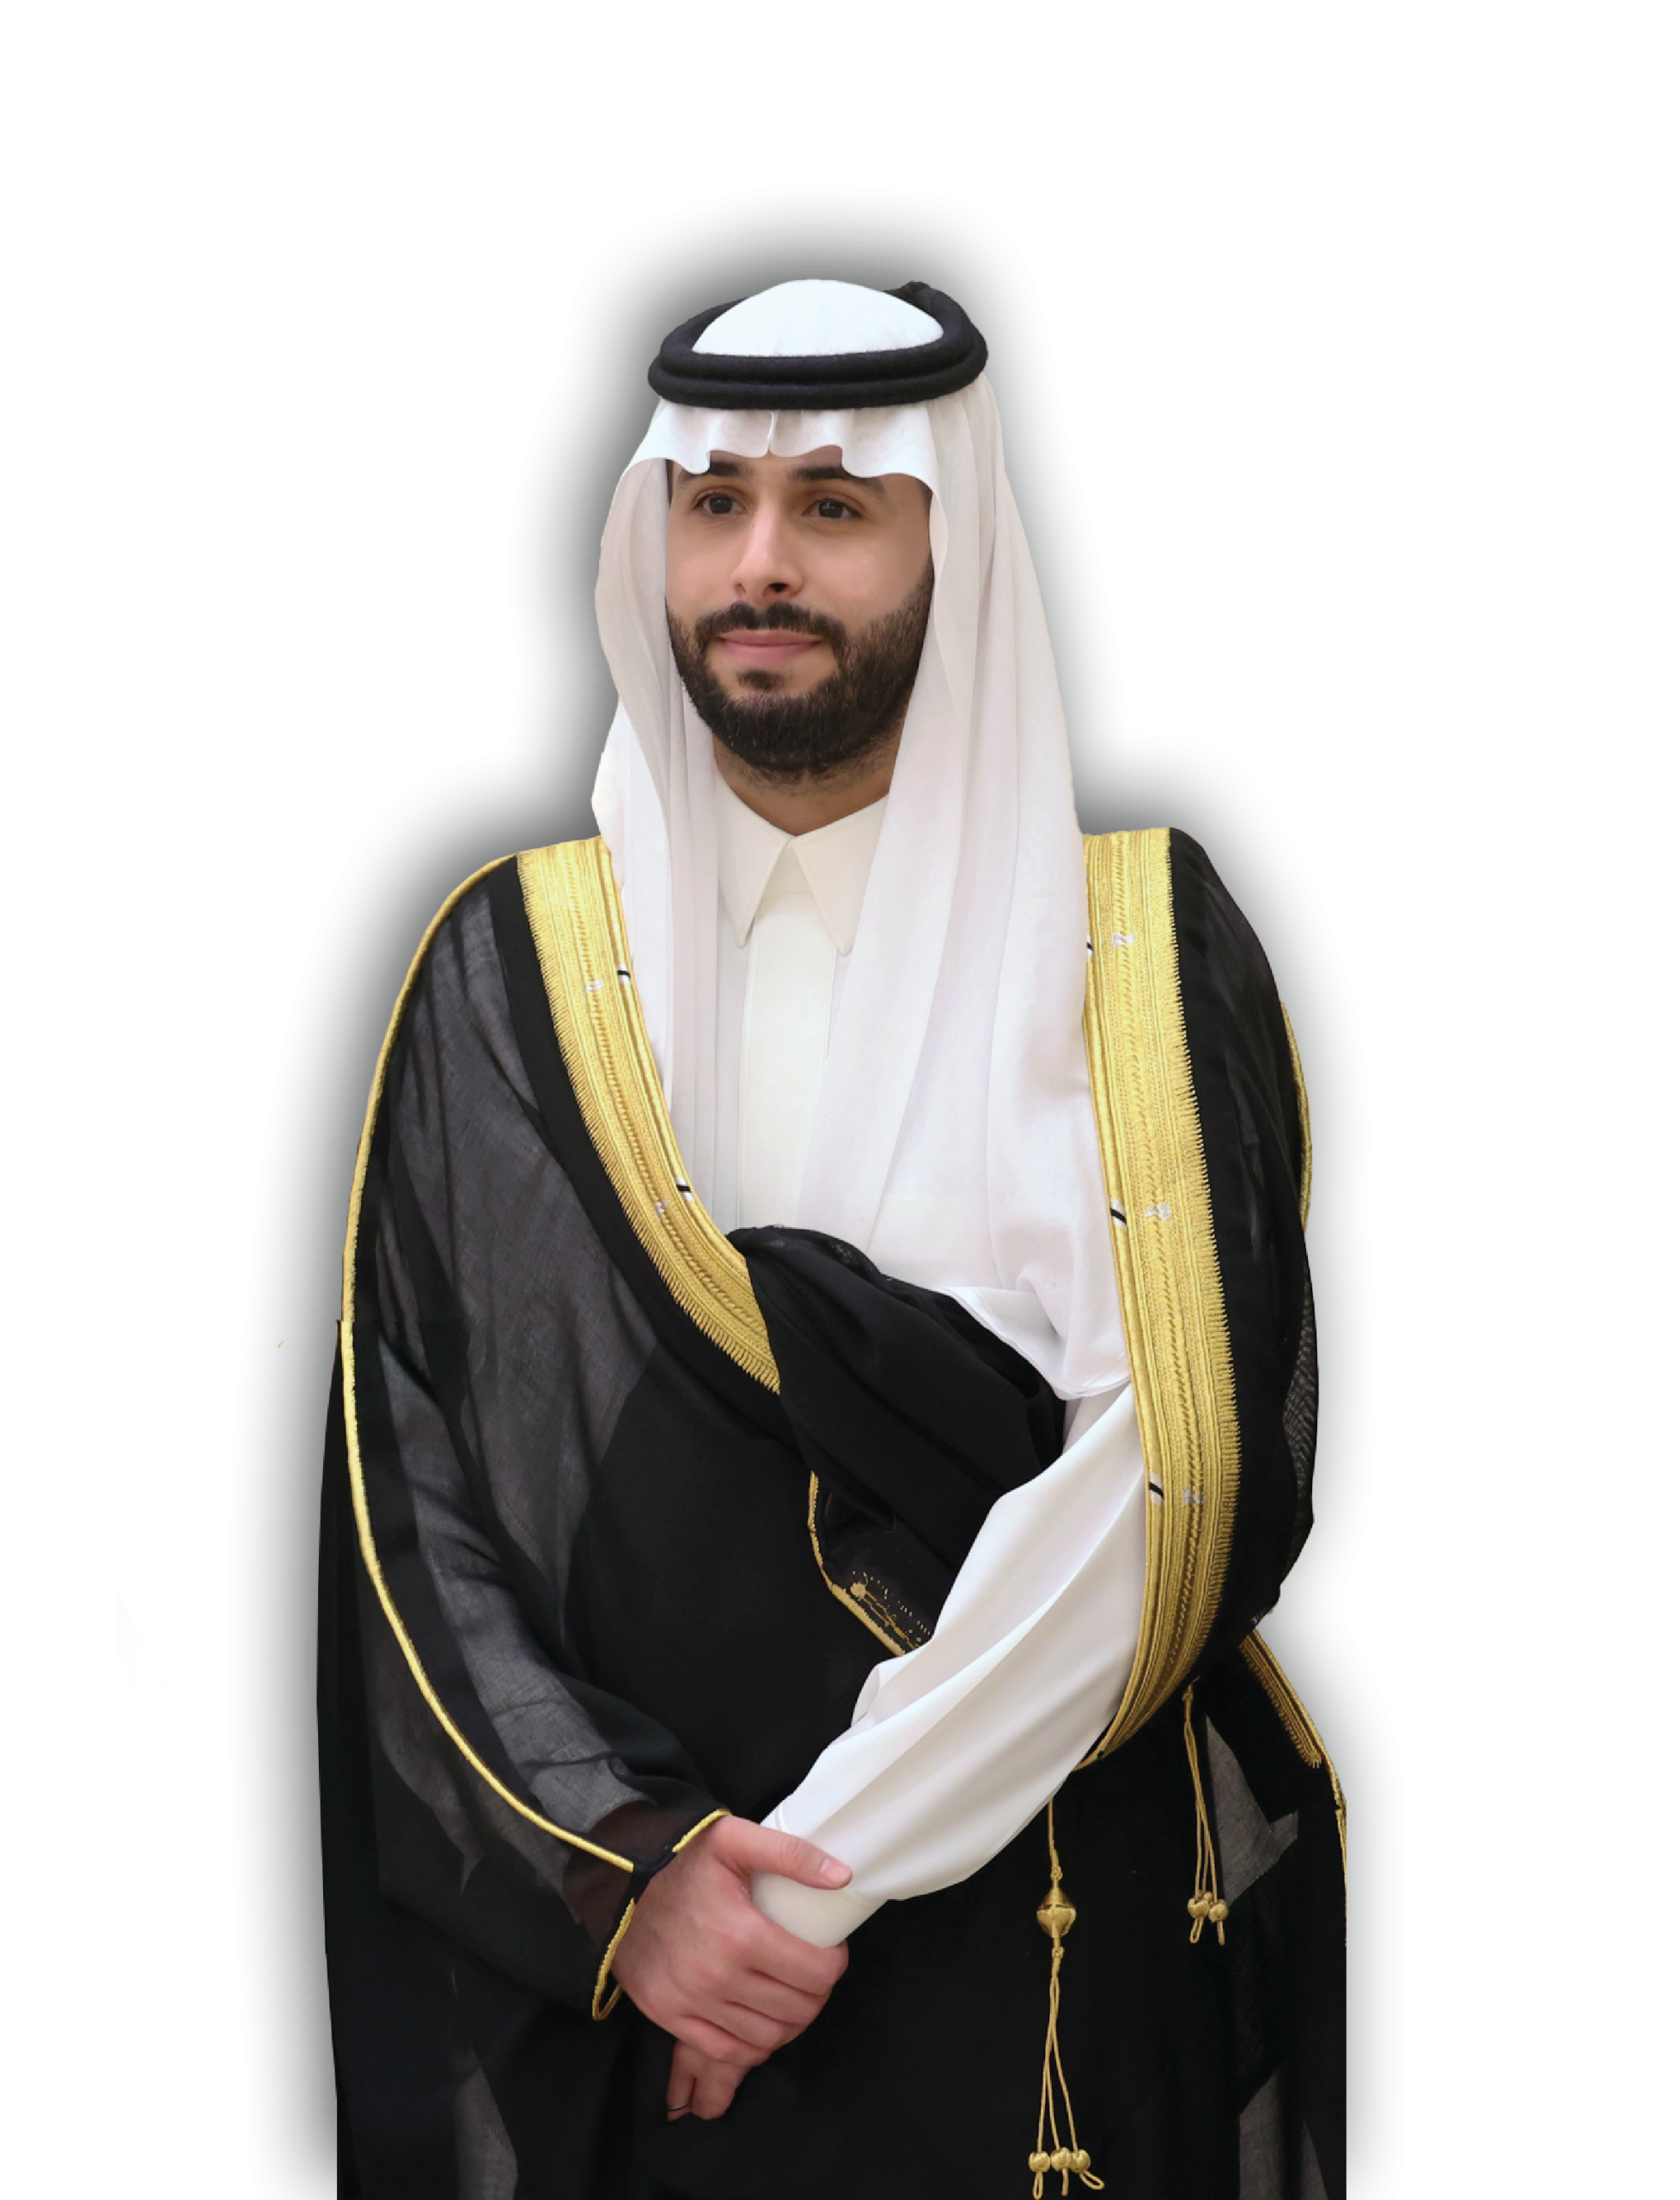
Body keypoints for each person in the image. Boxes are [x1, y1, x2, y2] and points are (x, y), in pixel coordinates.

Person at [318, 277, 1345, 2198]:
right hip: (639, 1983)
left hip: (1037, 1966)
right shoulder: (505, 966)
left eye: (834, 505)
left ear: (955, 545)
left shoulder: (1139, 946)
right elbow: (418, 1507)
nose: (759, 564)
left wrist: (799, 1890)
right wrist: (624, 1874)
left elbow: (1180, 1475)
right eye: (712, 502)